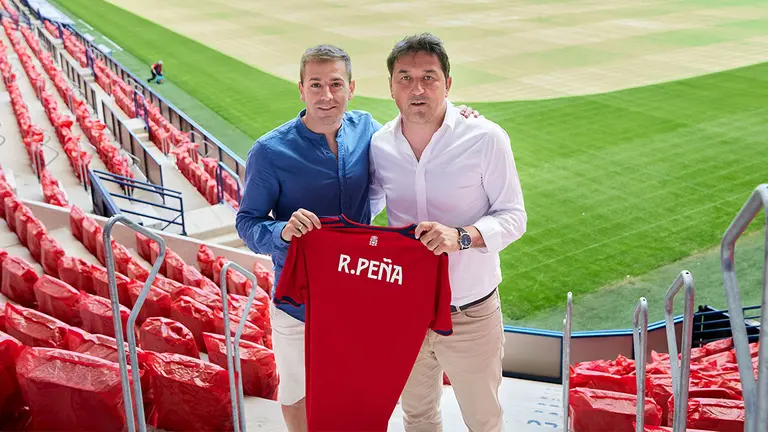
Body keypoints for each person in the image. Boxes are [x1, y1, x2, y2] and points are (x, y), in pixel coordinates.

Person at [236, 44, 479, 432]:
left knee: (358, 389)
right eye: (316, 84)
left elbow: (417, 122)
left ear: (351, 87)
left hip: (359, 294)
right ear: (301, 89)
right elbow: (247, 222)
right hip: (300, 301)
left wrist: (461, 118)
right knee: (298, 390)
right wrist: (281, 231)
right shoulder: (269, 152)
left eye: (335, 84)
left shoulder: (367, 128)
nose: (326, 95)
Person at [369, 33, 527, 432]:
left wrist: (462, 236)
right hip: (404, 311)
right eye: (404, 77)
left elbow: (513, 217)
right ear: (390, 87)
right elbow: (364, 210)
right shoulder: (379, 146)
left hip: (470, 312)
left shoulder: (485, 137)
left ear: (448, 84)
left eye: (429, 77)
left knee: (484, 420)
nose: (417, 88)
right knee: (417, 417)